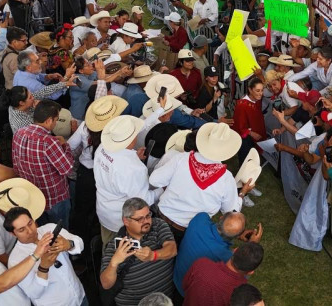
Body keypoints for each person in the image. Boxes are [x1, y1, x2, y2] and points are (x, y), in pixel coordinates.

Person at [149, 123, 254, 243]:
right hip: (188, 233)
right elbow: (230, 212)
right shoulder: (226, 178)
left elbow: (154, 180)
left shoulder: (181, 158)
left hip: (160, 219)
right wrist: (242, 193)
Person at [94, 114, 163, 245]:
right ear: (133, 138)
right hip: (119, 221)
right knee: (119, 256)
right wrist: (162, 189)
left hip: (104, 210)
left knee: (107, 245)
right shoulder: (133, 168)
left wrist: (134, 157)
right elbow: (143, 200)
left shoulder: (102, 147)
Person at [99, 198, 178, 305]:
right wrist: (114, 263)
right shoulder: (116, 246)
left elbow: (172, 249)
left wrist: (153, 255)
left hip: (164, 300)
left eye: (148, 216)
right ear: (126, 221)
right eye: (140, 219)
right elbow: (106, 284)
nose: (146, 221)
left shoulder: (158, 225)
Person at [4, 207, 87, 306]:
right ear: (13, 234)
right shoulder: (15, 260)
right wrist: (43, 267)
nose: (30, 231)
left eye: (30, 224)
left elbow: (80, 243)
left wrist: (69, 244)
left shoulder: (49, 229)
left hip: (78, 295)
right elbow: (34, 293)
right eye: (22, 230)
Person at [12, 100, 74, 227]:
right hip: (54, 199)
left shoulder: (19, 133)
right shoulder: (49, 142)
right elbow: (67, 169)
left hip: (32, 196)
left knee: (42, 231)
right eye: (56, 119)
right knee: (59, 232)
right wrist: (65, 145)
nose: (56, 123)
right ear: (49, 120)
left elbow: (16, 166)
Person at [173, 212, 262, 296]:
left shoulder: (200, 219)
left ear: (221, 217)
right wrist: (252, 246)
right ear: (238, 235)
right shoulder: (226, 257)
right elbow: (243, 272)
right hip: (188, 295)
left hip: (174, 278)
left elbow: (206, 218)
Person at [182, 242, 265, 306]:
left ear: (235, 250)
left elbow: (185, 285)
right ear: (251, 272)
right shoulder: (241, 296)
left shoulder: (201, 264)